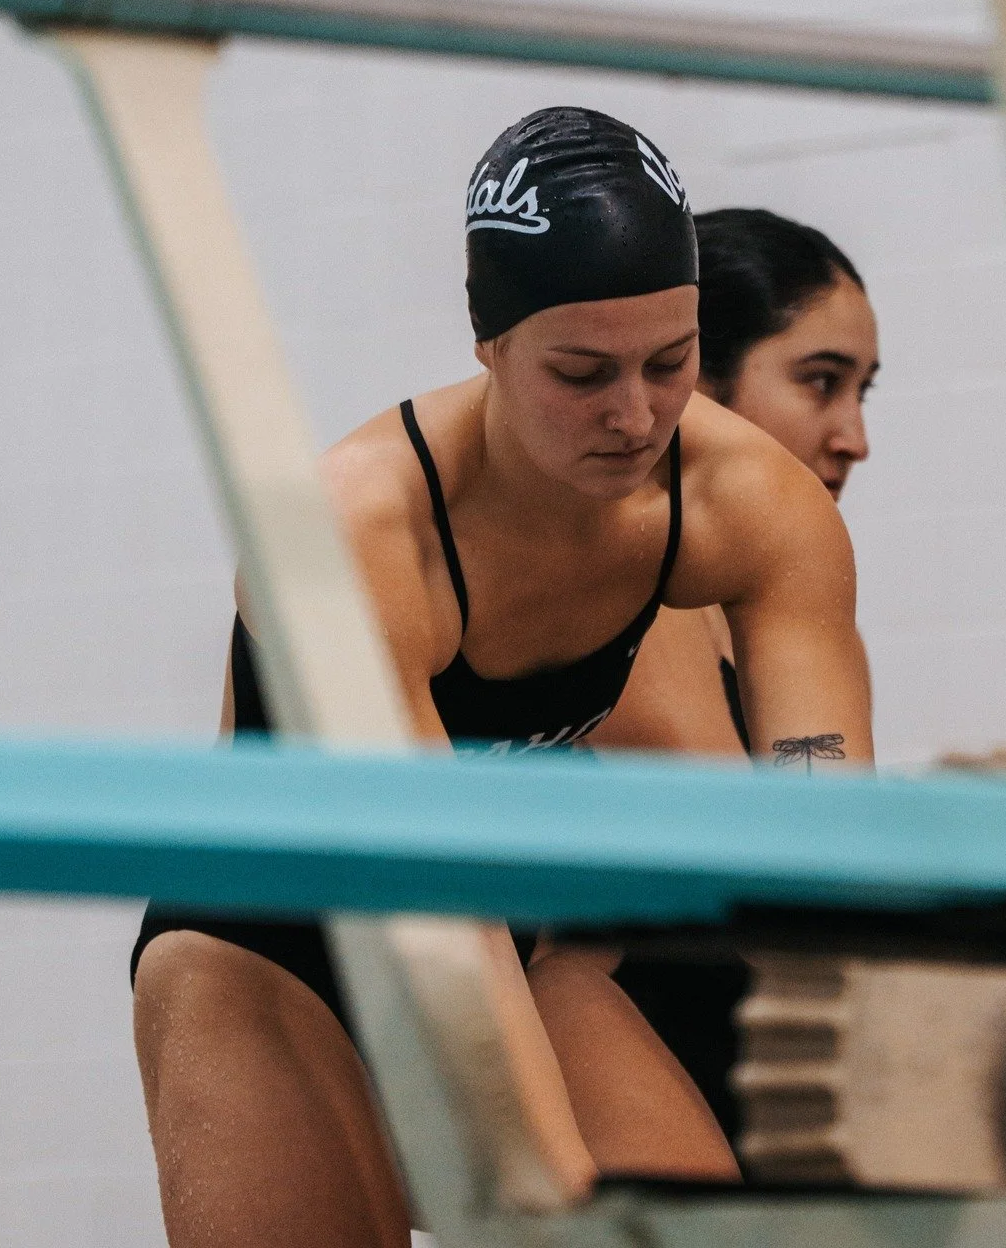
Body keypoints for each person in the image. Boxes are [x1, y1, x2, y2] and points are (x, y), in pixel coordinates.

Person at [131, 107, 873, 1248]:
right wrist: (550, 1187)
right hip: (273, 943)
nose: (635, 417)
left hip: (513, 938)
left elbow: (824, 844)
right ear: (490, 345)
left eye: (669, 365)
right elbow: (439, 899)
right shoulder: (360, 530)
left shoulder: (747, 506)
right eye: (581, 373)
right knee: (557, 1205)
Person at [595, 207, 879, 757]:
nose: (856, 441)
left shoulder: (813, 608)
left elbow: (830, 826)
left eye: (861, 391)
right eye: (822, 382)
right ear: (691, 381)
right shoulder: (617, 598)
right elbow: (728, 833)